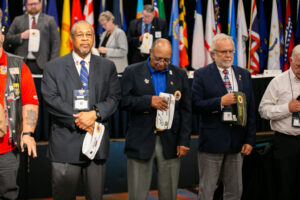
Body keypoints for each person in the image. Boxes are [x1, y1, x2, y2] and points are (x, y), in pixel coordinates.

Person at [41, 20, 121, 200]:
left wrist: (95, 114)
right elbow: (51, 99)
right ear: (71, 39)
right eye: (80, 35)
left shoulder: (107, 66)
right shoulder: (53, 67)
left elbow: (114, 97)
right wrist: (80, 119)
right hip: (65, 144)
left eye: (89, 35)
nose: (85, 39)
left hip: (96, 143)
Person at [121, 38, 191, 200]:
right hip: (141, 140)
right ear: (150, 52)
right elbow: (122, 101)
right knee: (137, 193)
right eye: (158, 58)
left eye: (167, 60)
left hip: (171, 142)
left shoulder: (180, 74)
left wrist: (184, 140)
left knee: (169, 194)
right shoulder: (132, 71)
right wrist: (148, 101)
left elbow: (186, 110)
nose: (162, 63)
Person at [192, 33, 256, 200]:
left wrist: (249, 140)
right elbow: (195, 105)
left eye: (231, 51)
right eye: (223, 52)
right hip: (212, 141)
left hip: (237, 142)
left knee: (235, 191)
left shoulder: (244, 74)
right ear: (213, 54)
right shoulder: (202, 75)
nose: (228, 55)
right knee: (206, 190)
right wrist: (220, 102)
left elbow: (250, 110)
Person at [0, 9, 39, 198]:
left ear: (1, 36)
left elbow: (30, 102)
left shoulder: (16, 65)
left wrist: (28, 133)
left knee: (8, 194)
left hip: (6, 148)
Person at [259, 45, 300, 200]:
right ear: (291, 61)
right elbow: (263, 111)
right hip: (286, 142)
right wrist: (287, 108)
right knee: (285, 186)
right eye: (298, 66)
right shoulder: (278, 82)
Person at [5, 0, 60, 75]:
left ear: (40, 4)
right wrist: (21, 36)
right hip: (22, 63)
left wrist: (52, 63)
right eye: (30, 4)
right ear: (26, 5)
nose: (33, 6)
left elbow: (56, 43)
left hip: (43, 63)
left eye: (35, 4)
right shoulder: (18, 20)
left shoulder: (49, 20)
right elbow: (7, 38)